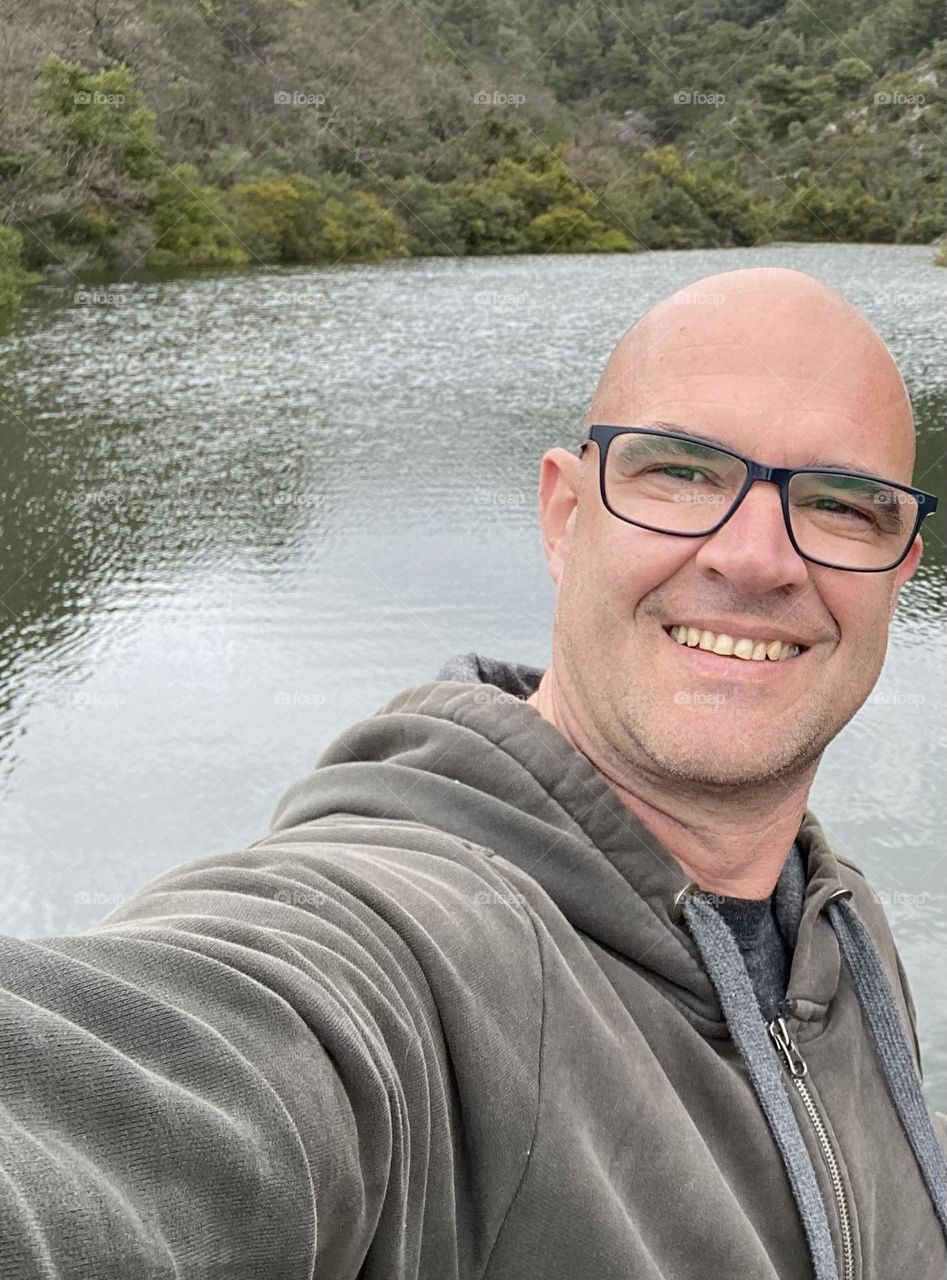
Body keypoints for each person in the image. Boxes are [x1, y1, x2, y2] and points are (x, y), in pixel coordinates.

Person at [1, 267, 944, 1279]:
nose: (756, 557)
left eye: (844, 505)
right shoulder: (416, 958)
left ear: (899, 567)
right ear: (563, 514)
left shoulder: (833, 931)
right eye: (678, 472)